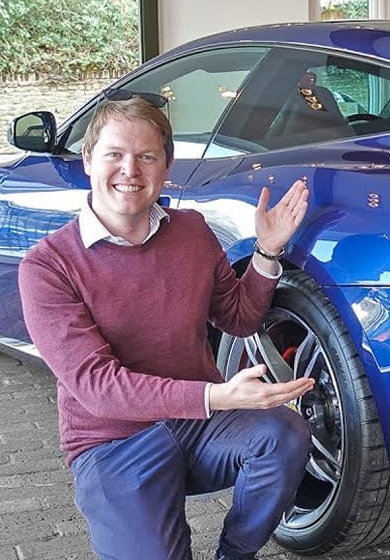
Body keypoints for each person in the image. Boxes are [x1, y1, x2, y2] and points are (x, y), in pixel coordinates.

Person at [18, 92, 314, 560]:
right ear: (88, 159)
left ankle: (235, 554)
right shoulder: (48, 266)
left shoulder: (192, 230)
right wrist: (216, 396)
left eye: (146, 156)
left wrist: (267, 252)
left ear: (166, 165)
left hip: (200, 426)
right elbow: (98, 388)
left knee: (285, 433)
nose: (130, 170)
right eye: (114, 154)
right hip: (113, 443)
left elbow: (238, 317)